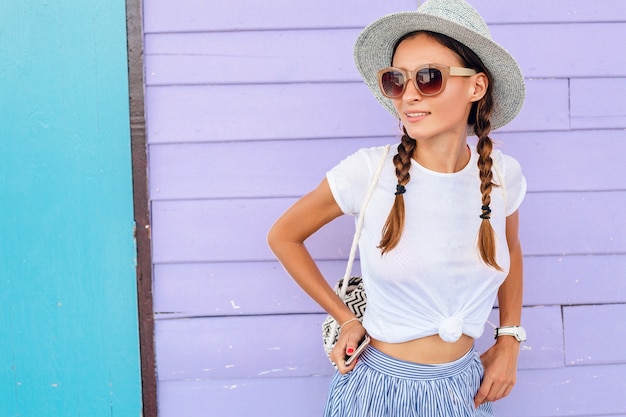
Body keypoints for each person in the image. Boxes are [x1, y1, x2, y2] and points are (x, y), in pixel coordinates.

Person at [267, 0, 527, 415]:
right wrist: (346, 319)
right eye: (395, 80)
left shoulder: (502, 176)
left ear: (476, 87)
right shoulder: (367, 171)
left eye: (428, 78)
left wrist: (510, 336)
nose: (408, 95)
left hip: (464, 390)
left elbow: (510, 250)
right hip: (378, 391)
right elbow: (283, 236)